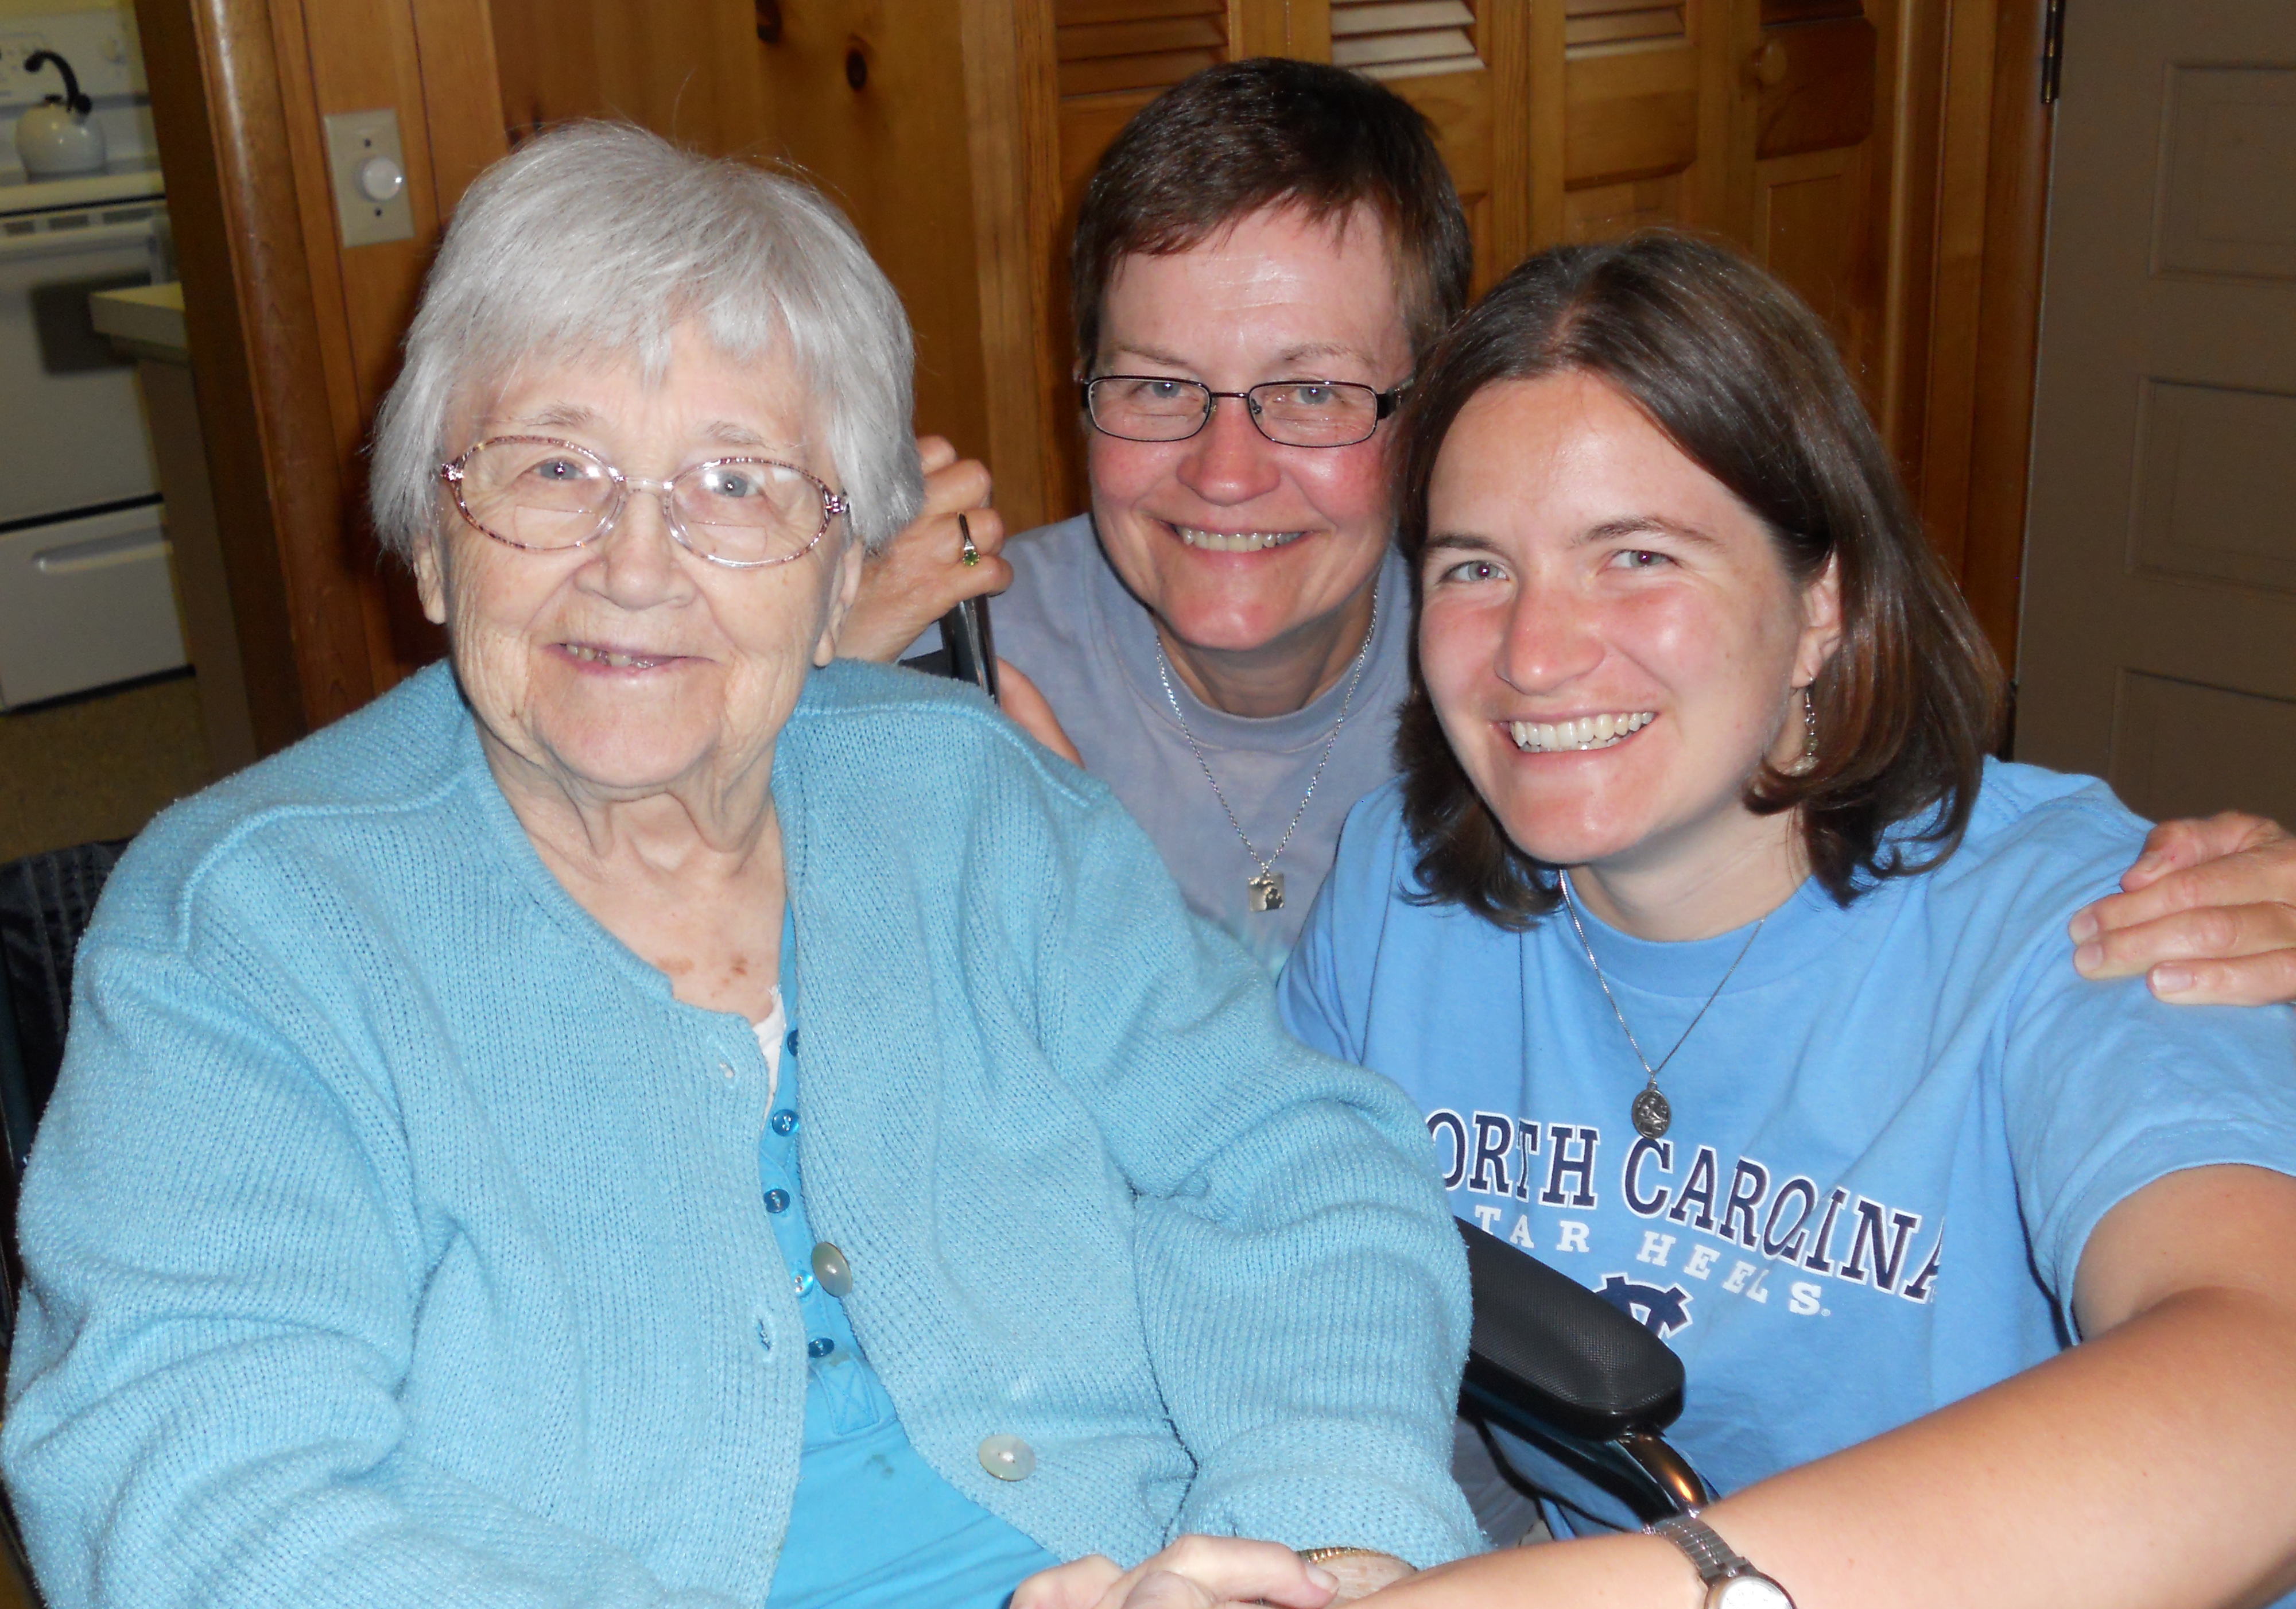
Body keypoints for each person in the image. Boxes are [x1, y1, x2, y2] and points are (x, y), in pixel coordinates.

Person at [0, 123, 1481, 1609]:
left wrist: (1309, 1563)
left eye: (735, 484)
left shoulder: (972, 804)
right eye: (551, 468)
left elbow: (1294, 1161)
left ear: (835, 557)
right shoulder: (255, 923)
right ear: (431, 537)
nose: (635, 565)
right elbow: (184, 1497)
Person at [1040, 234, 2296, 1609]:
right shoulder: (1399, 889)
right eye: (1475, 568)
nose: (1535, 652)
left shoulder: (2085, 915)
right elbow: (1280, 1264)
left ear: (1822, 599)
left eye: (1637, 555)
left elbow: (2264, 1370)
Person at [847, 57, 2296, 1001]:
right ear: (1078, 392)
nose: (1225, 472)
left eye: (1310, 392)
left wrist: (2193, 902)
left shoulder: (1536, 665)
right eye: (1158, 387)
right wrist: (785, 735)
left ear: (1436, 410)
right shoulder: (940, 665)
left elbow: (1894, 847)